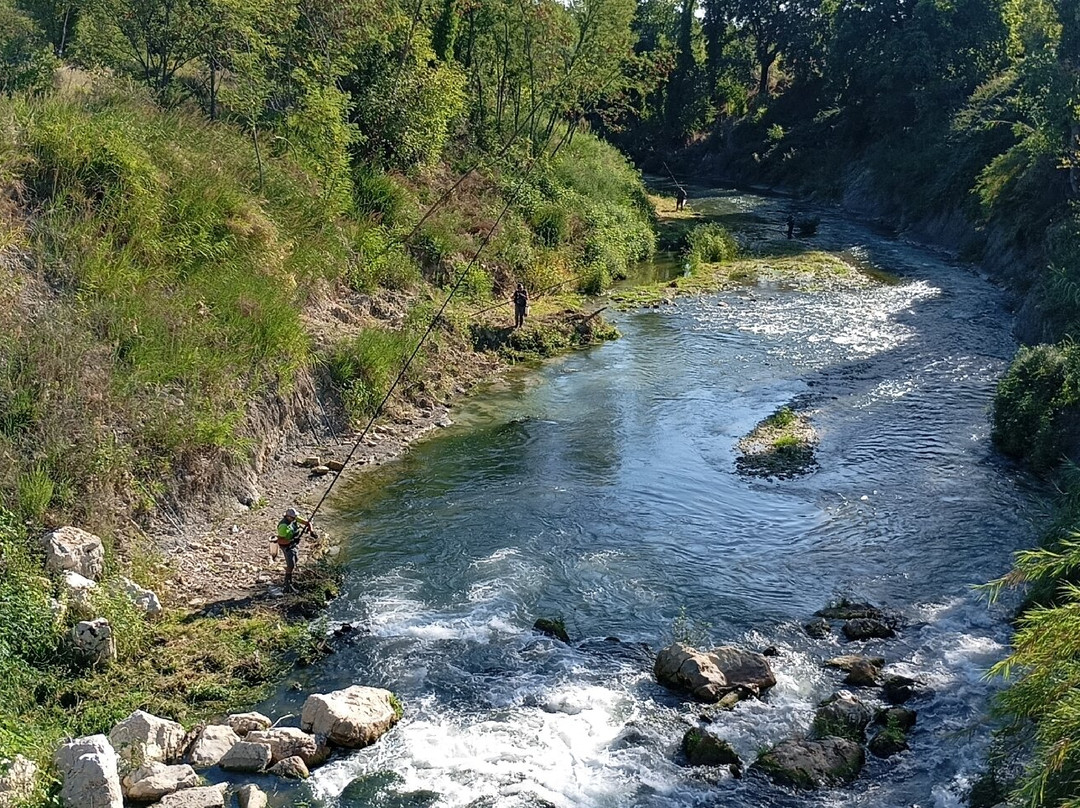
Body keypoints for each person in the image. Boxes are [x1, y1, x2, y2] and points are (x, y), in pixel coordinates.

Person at [276, 506, 315, 593]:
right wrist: (292, 540)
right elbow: (280, 540)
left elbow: (307, 523)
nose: (295, 519)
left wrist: (311, 531)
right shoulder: (283, 526)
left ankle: (290, 580)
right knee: (291, 565)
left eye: (295, 517)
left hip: (294, 544)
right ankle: (287, 585)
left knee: (295, 559)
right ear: (287, 517)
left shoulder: (294, 519)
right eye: (293, 518)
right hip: (287, 546)